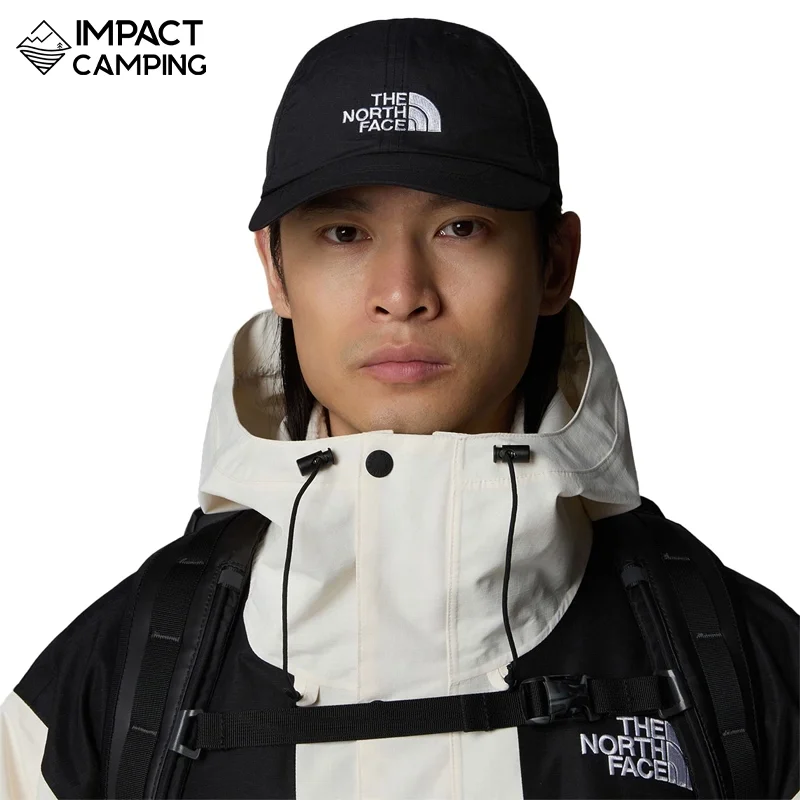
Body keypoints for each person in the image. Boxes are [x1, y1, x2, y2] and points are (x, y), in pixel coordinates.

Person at [1, 16, 797, 800]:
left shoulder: (752, 670)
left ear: (555, 264)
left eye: (461, 227)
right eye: (344, 234)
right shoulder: (98, 693)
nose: (402, 293)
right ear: (276, 272)